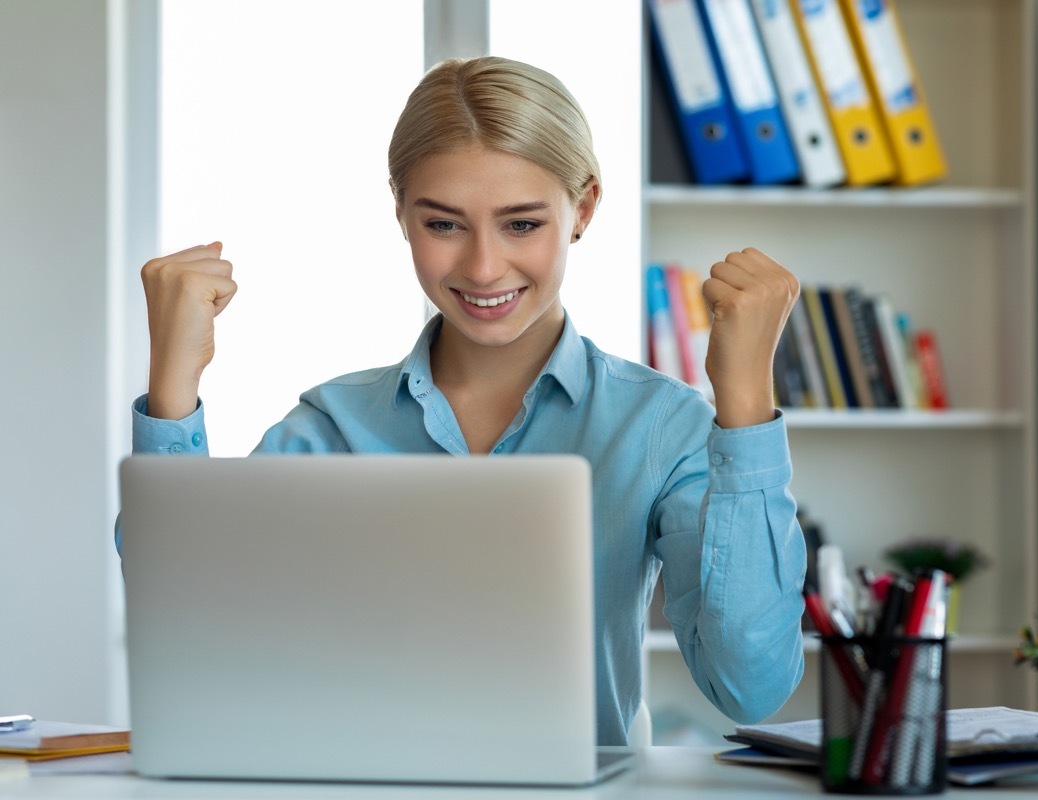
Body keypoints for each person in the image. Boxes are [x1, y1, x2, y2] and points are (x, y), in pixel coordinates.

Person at [127, 56, 807, 745]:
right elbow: (187, 627)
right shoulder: (335, 425)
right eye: (444, 225)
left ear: (585, 209)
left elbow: (748, 687)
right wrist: (174, 386)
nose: (483, 268)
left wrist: (746, 400)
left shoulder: (659, 424)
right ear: (401, 213)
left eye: (521, 225)